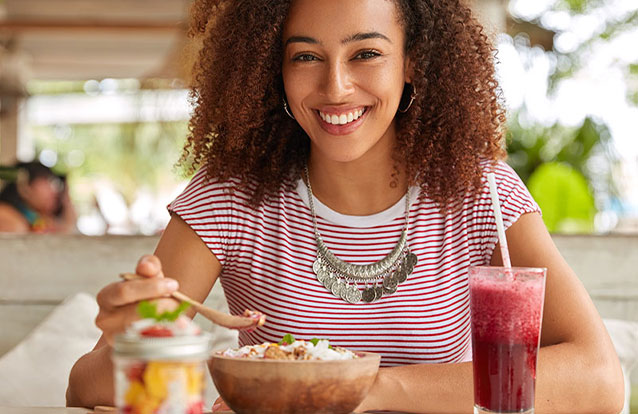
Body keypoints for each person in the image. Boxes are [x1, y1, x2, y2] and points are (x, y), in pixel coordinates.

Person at [67, 0, 624, 412]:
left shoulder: (479, 191)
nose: (335, 87)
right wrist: (129, 343)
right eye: (306, 56)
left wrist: (367, 387)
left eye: (366, 53)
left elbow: (600, 380)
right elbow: (83, 389)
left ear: (412, 63)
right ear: (274, 71)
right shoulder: (230, 197)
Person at [0, 161, 77, 233]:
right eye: (50, 181)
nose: (55, 191)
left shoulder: (39, 220)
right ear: (25, 186)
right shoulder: (6, 217)